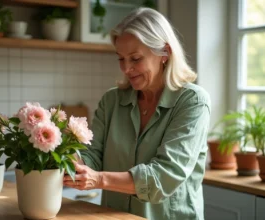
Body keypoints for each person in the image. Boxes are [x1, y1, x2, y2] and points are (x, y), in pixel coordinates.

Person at [63, 7, 211, 220]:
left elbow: (164, 176)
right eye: (121, 59)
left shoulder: (193, 102)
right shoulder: (112, 101)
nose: (126, 69)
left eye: (135, 58)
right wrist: (68, 158)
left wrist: (99, 179)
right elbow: (93, 154)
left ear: (164, 53)